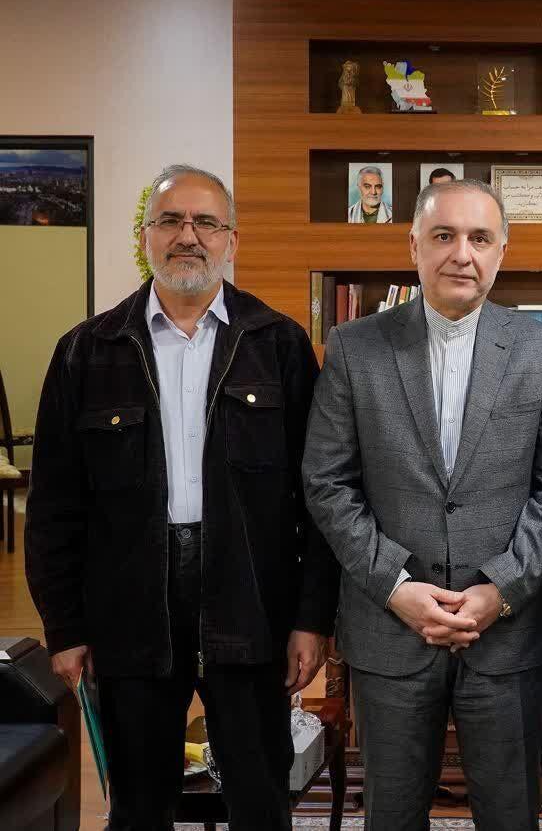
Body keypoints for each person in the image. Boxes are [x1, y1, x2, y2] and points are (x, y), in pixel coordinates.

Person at [25, 164, 339, 829]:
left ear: (232, 239)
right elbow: (54, 506)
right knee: (139, 807)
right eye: (170, 220)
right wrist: (65, 628)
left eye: (206, 222)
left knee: (261, 802)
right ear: (146, 237)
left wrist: (312, 619)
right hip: (129, 612)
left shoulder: (279, 345)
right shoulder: (86, 352)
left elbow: (318, 498)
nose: (187, 236)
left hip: (252, 607)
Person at [303, 178, 542, 831]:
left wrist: (501, 590)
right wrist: (396, 587)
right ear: (414, 247)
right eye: (444, 236)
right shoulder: (354, 348)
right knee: (393, 816)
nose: (462, 253)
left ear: (502, 251)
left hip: (504, 633)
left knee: (510, 815)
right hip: (390, 629)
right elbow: (327, 481)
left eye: (480, 238)